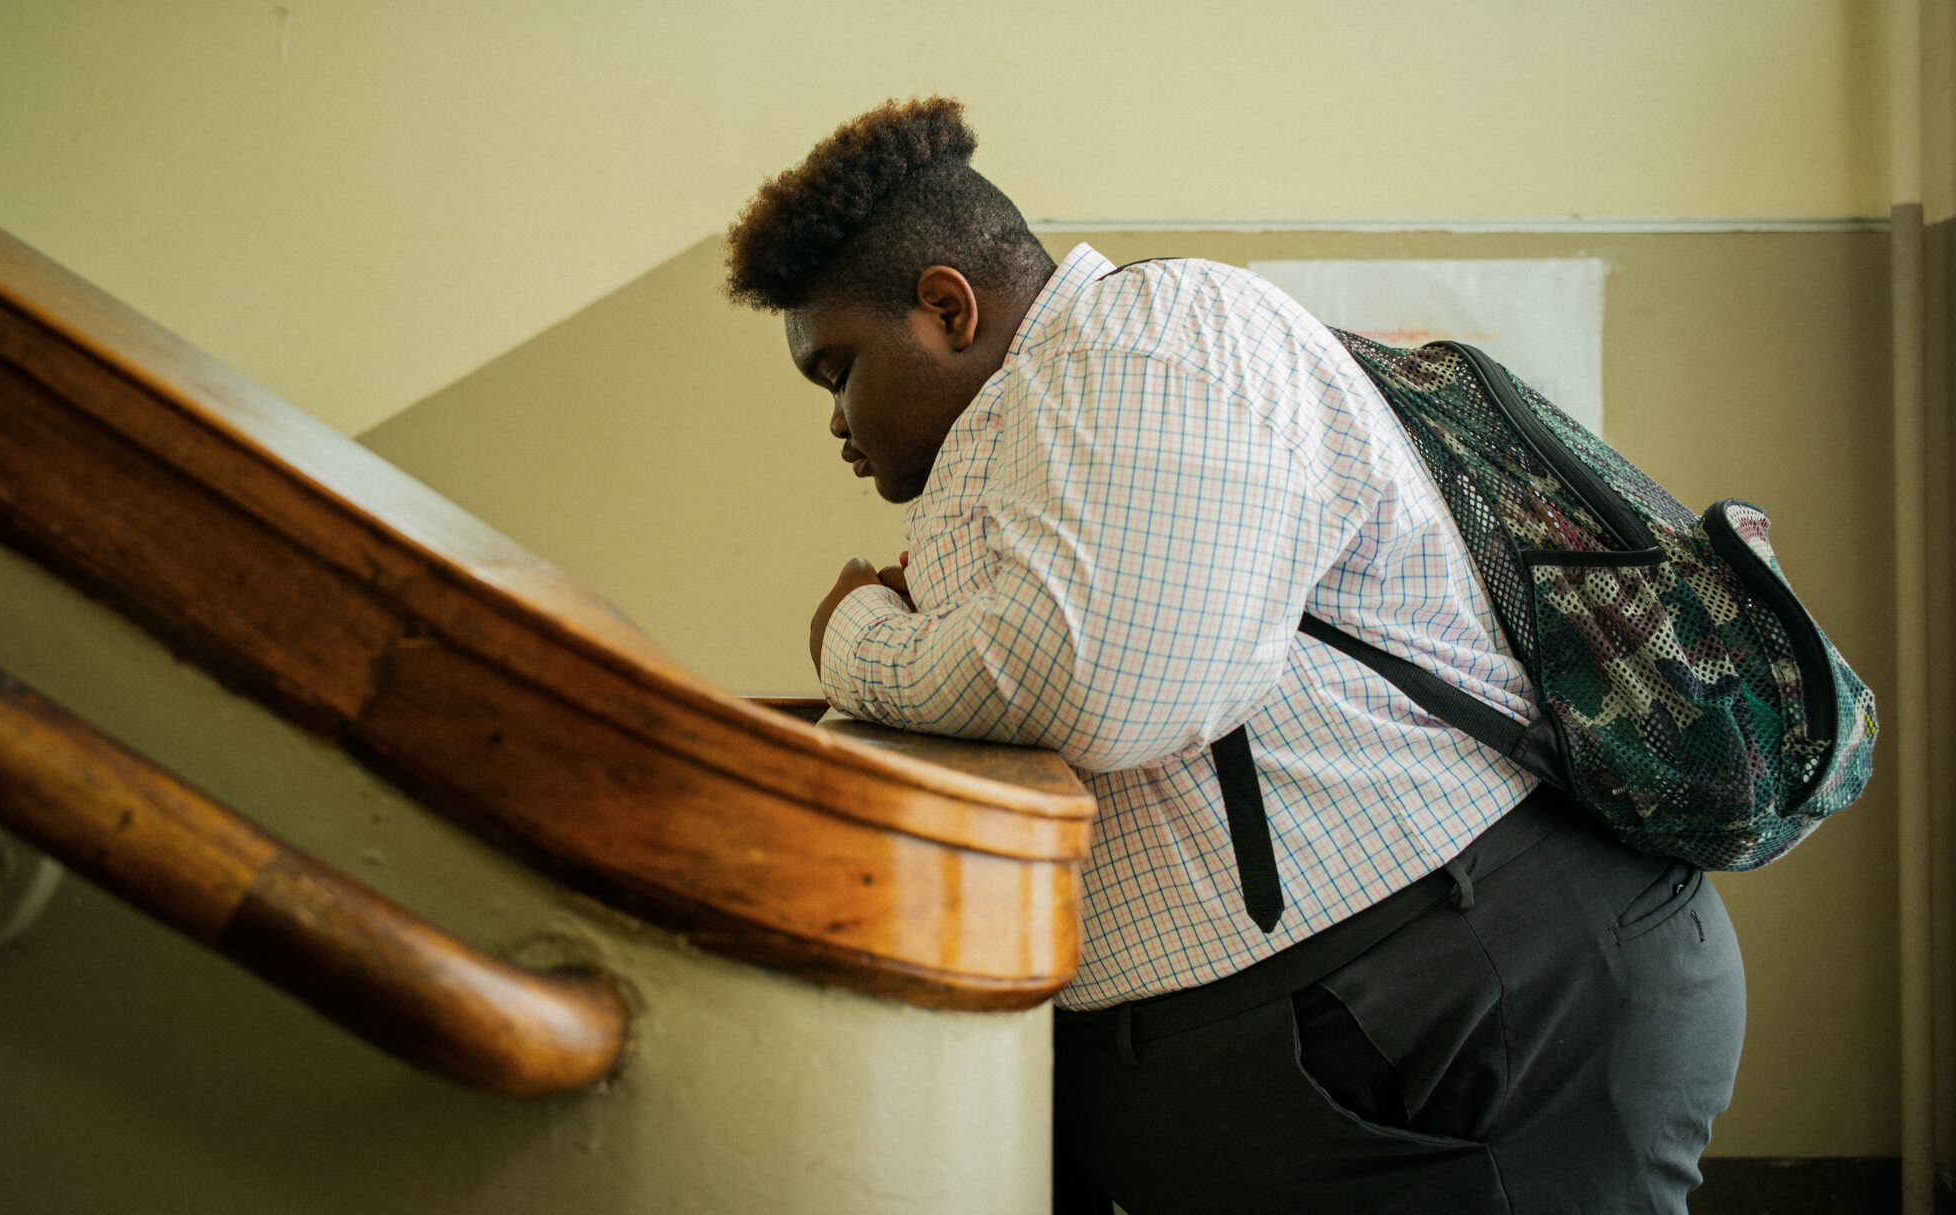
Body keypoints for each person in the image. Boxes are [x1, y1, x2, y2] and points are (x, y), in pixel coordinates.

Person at [724, 97, 1747, 1215]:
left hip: (1477, 1013)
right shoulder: (1037, 412)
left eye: (837, 371)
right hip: (1380, 1023)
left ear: (945, 307)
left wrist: (856, 634)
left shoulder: (1146, 333)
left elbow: (1092, 685)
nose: (836, 421)